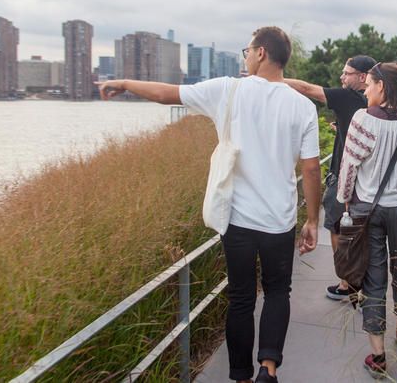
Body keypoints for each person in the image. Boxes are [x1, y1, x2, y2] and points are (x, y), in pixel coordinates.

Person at [97, 26, 322, 383]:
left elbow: (165, 94)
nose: (245, 56)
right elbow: (310, 169)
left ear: (261, 52)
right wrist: (312, 219)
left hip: (238, 220)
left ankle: (241, 376)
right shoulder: (303, 106)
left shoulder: (227, 90)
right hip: (279, 221)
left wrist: (124, 83)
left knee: (241, 299)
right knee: (279, 291)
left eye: (247, 50)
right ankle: (269, 367)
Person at [336, 62, 397, 379]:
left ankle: (378, 355)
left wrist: (344, 204)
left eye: (369, 85)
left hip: (368, 210)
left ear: (381, 86)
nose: (365, 90)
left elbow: (348, 167)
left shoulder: (362, 121)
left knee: (374, 277)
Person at [283, 55, 376, 301]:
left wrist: (272, 78)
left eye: (347, 73)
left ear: (363, 77)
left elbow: (305, 88)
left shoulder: (348, 98)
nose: (341, 77)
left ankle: (348, 283)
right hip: (369, 181)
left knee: (337, 228)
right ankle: (364, 281)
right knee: (362, 233)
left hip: (343, 179)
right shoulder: (375, 103)